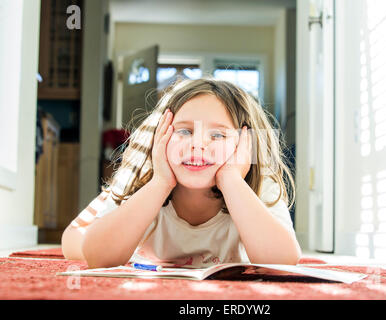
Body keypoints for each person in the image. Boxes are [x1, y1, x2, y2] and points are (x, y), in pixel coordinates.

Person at [61, 77, 302, 269]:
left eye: (217, 135)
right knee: (73, 243)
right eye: (185, 131)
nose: (197, 145)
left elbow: (283, 262)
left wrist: (231, 181)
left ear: (245, 145)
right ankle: (108, 198)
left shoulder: (259, 185)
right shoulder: (143, 182)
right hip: (138, 190)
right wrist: (161, 183)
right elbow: (97, 257)